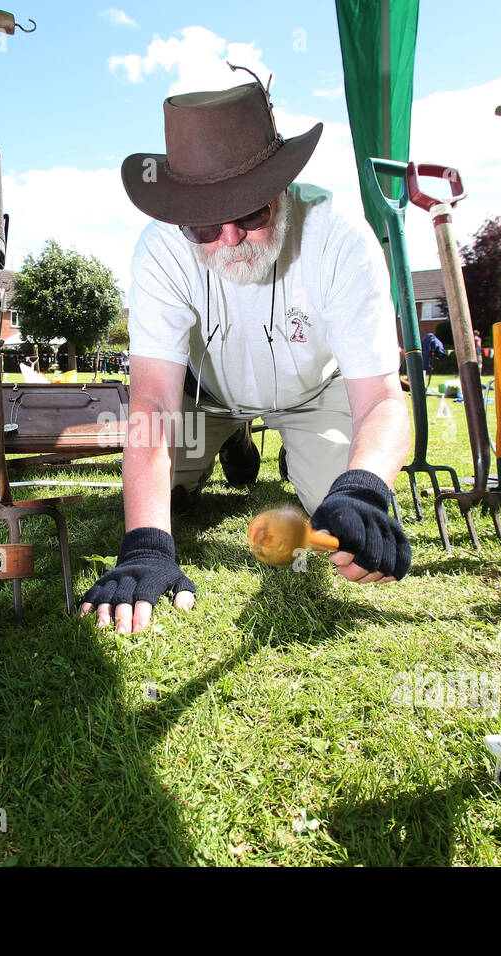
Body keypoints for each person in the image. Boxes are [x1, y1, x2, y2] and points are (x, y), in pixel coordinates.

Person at [79, 74, 412, 635]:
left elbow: (380, 397)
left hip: (315, 394)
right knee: (173, 494)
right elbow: (154, 402)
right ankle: (233, 433)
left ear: (282, 186)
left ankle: (295, 449)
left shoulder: (342, 238)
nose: (228, 239)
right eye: (205, 223)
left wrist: (366, 487)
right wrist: (145, 546)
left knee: (347, 518)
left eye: (252, 214)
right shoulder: (160, 249)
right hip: (207, 399)